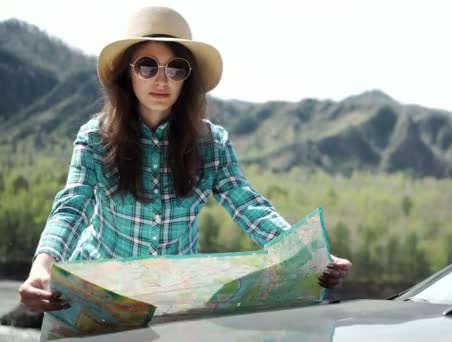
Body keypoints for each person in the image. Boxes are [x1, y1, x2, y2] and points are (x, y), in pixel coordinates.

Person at [18, 6, 351, 312]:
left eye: (176, 68)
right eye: (147, 66)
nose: (162, 79)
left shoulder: (212, 143)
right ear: (128, 74)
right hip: (94, 293)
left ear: (187, 79)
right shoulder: (94, 137)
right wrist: (41, 268)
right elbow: (71, 208)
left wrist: (311, 256)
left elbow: (249, 207)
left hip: (173, 299)